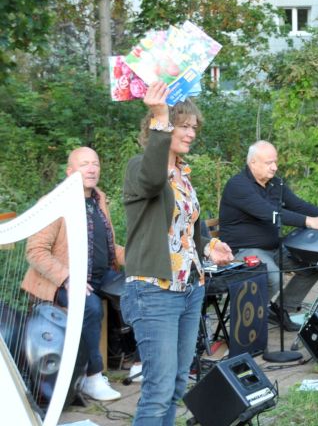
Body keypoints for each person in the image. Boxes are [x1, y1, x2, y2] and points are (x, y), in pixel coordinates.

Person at [120, 81, 234, 425]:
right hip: (154, 290)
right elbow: (154, 181)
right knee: (157, 390)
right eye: (183, 126)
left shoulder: (184, 175)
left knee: (176, 385)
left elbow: (190, 230)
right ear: (164, 127)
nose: (191, 133)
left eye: (193, 127)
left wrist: (210, 245)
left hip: (189, 289)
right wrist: (159, 115)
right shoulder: (140, 168)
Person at [23, 147, 126, 401]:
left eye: (95, 163)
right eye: (84, 164)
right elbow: (35, 251)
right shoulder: (53, 203)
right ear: (70, 172)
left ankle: (138, 362)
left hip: (100, 274)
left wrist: (144, 259)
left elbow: (110, 246)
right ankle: (92, 377)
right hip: (58, 280)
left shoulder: (99, 199)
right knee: (89, 306)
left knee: (140, 289)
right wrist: (69, 278)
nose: (91, 169)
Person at [219, 140, 318, 331]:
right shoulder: (238, 185)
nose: (275, 167)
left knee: (315, 266)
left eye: (275, 162)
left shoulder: (275, 183)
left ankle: (279, 310)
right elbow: (269, 213)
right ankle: (249, 324)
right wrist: (311, 221)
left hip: (274, 248)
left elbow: (298, 205)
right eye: (269, 163)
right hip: (243, 252)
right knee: (273, 277)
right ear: (253, 163)